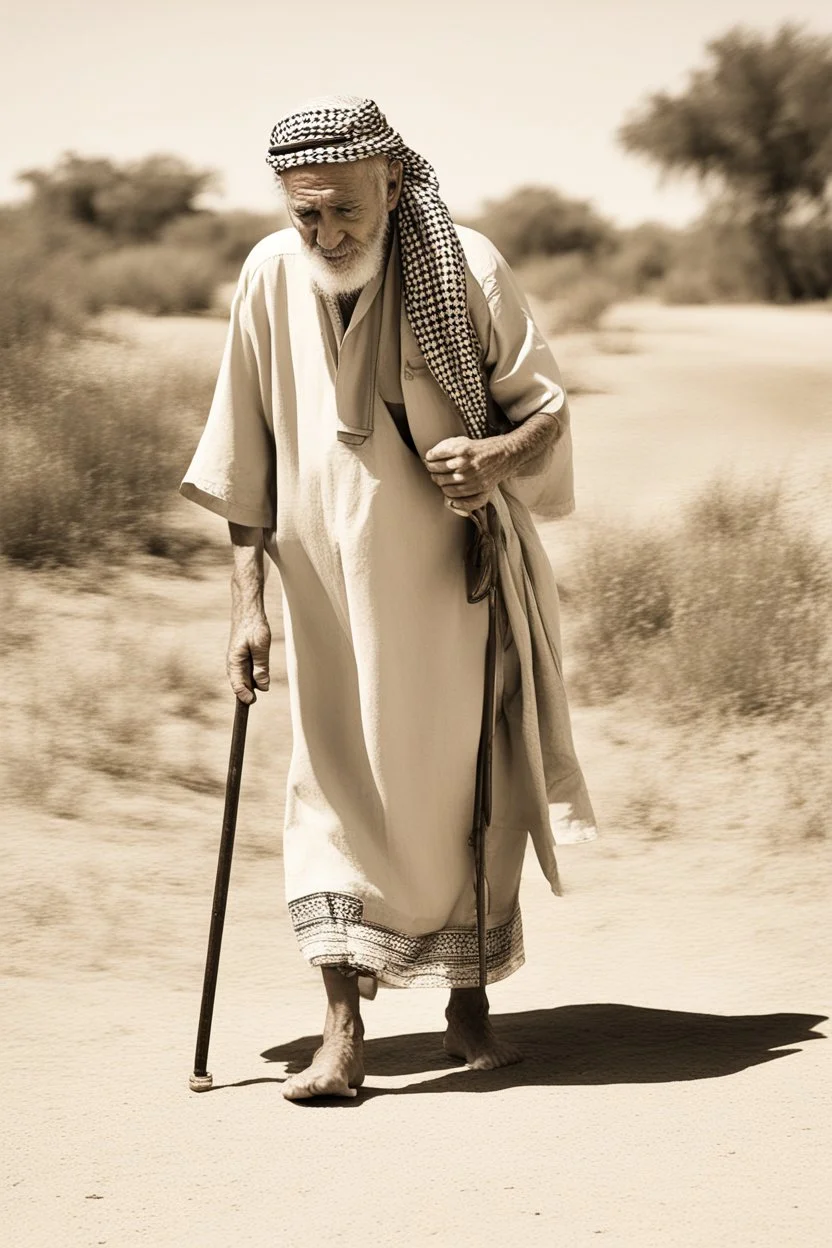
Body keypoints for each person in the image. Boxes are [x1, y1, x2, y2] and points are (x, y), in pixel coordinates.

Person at [181, 95, 597, 1100]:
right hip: (320, 591)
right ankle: (342, 1032)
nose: (324, 234)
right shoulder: (269, 276)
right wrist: (247, 602)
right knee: (323, 787)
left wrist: (493, 457)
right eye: (304, 214)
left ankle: (467, 1000)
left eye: (341, 211)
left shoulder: (465, 267)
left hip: (453, 590)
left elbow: (543, 408)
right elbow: (245, 459)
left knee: (465, 791)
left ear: (396, 182)